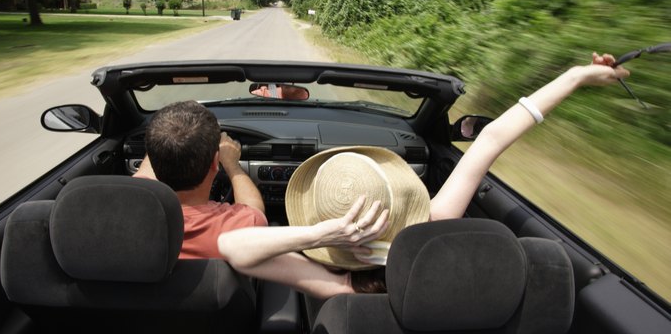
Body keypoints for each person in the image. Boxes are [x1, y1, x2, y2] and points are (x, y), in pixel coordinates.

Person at [218, 53, 630, 299]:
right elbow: (491, 139)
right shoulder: (435, 229)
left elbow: (233, 247)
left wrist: (324, 234)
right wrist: (575, 76)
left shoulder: (338, 285)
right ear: (401, 193)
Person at [133, 100, 267, 259]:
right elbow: (255, 209)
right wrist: (232, 165)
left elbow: (145, 171)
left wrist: (166, 141)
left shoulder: (130, 213)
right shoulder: (244, 226)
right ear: (215, 162)